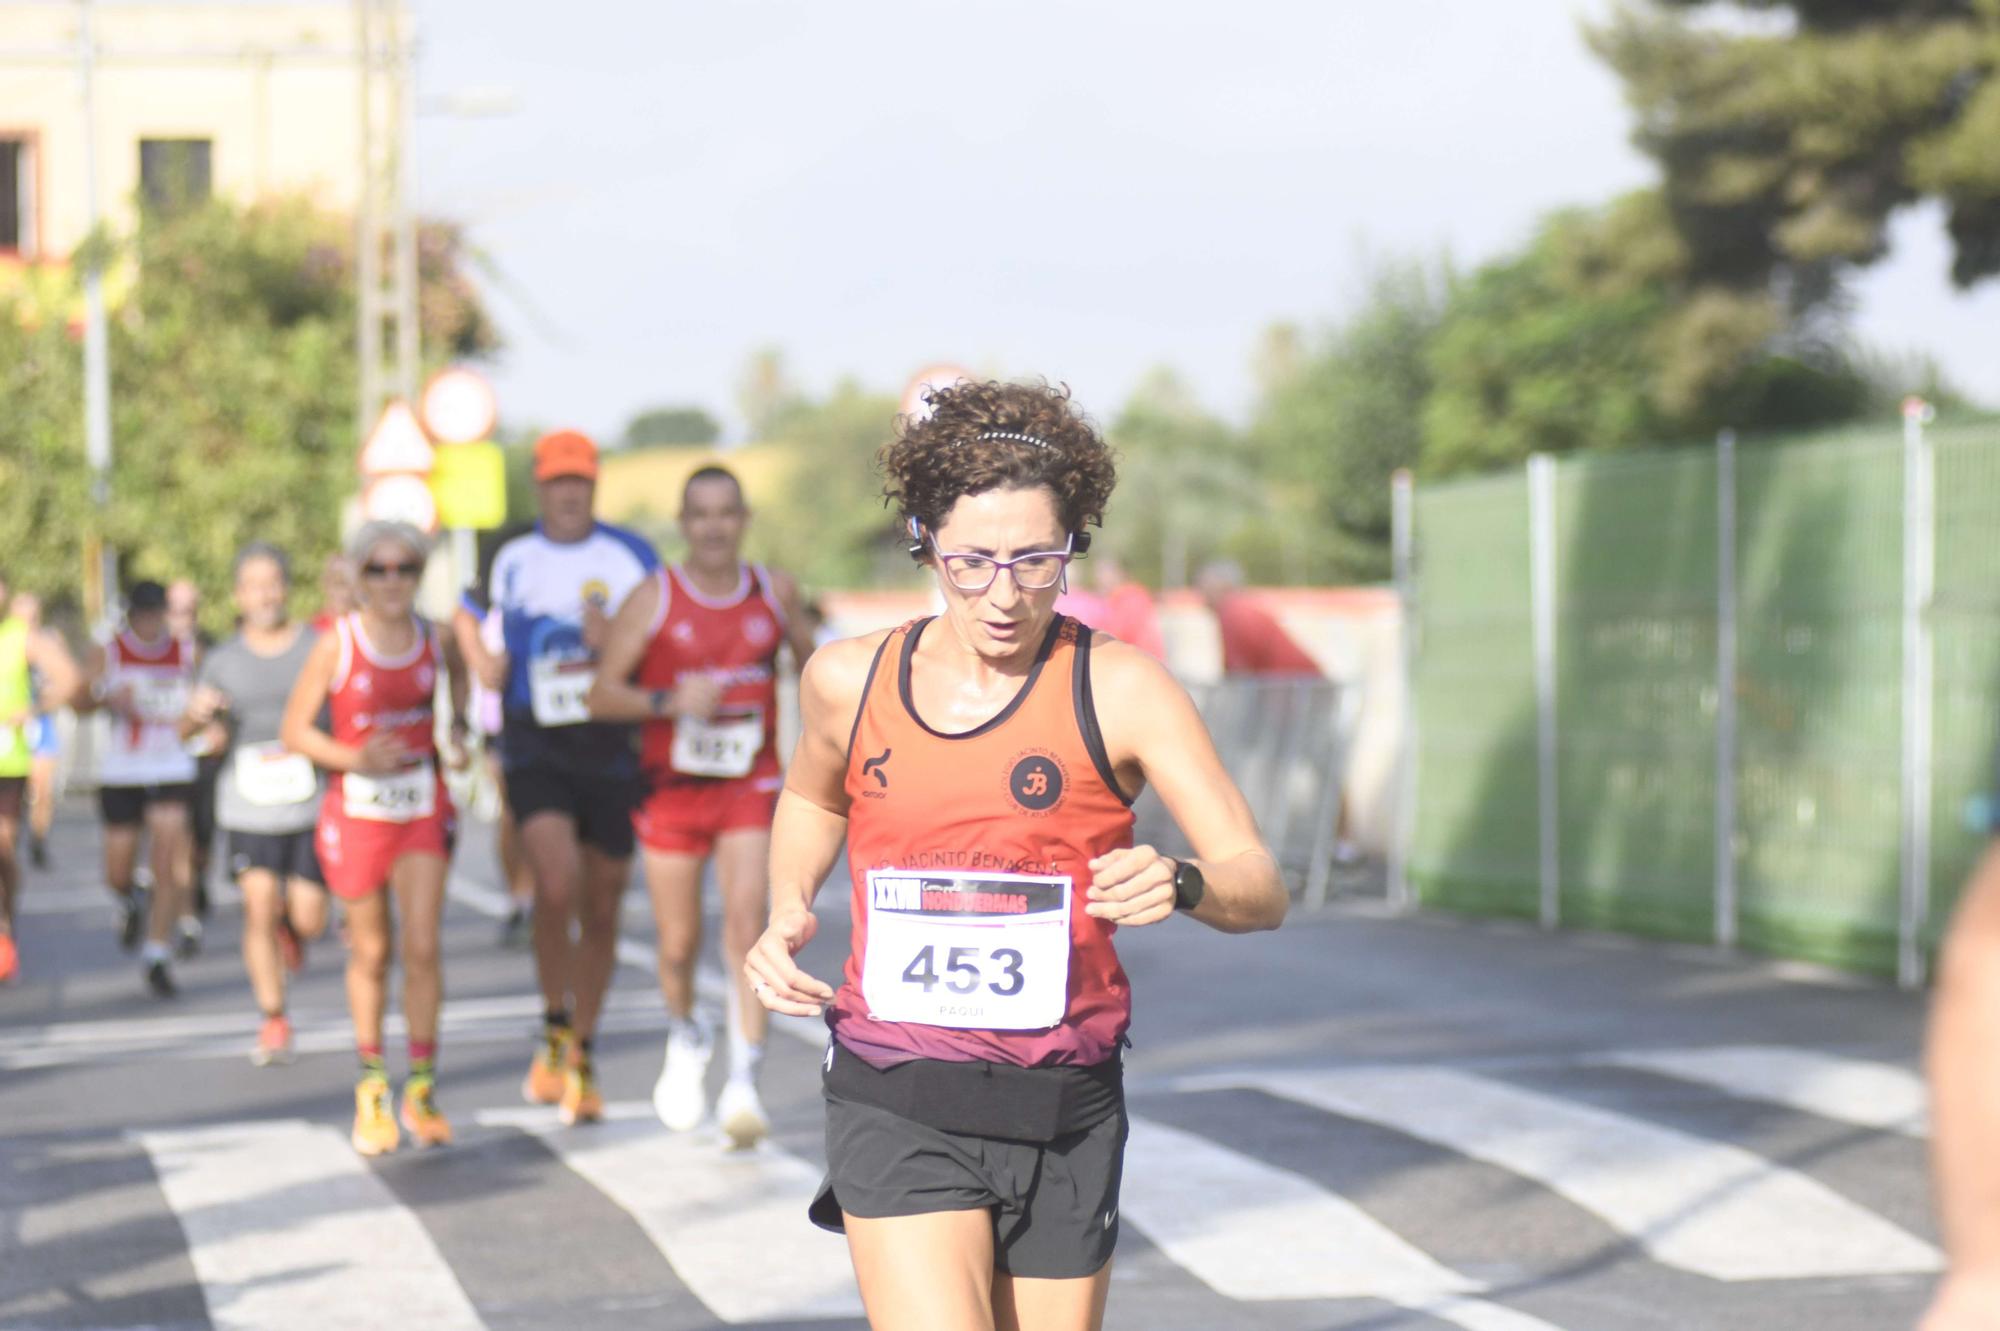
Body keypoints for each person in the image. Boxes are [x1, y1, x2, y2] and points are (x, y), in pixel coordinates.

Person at [745, 380, 1287, 1331]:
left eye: (1037, 560)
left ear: (1073, 543)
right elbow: (811, 793)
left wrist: (1182, 879)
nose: (1004, 593)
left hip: (1064, 1099)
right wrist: (789, 900)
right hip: (897, 1082)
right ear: (925, 543)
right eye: (973, 562)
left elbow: (1261, 883)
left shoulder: (1122, 688)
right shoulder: (846, 679)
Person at [589, 464, 816, 1147]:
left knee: (748, 920)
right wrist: (665, 701)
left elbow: (818, 670)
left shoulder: (773, 591)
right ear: (684, 525)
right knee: (679, 942)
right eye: (700, 514)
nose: (714, 526)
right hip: (671, 789)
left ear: (743, 519)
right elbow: (601, 694)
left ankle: (745, 1078)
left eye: (726, 513)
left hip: (749, 785)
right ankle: (687, 1030)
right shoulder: (655, 597)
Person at [453, 430, 658, 1128]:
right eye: (556, 481)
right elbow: (464, 608)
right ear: (540, 487)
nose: (569, 493)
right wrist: (481, 663)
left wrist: (619, 646)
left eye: (581, 481)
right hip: (536, 741)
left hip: (613, 747)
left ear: (594, 486)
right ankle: (551, 1021)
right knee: (556, 883)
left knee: (601, 906)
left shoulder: (630, 555)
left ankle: (584, 1050)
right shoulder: (511, 552)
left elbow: (664, 630)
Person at [281, 521, 469, 1156]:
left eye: (405, 568)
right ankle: (371, 1082)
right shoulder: (338, 644)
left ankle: (421, 1085)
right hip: (358, 810)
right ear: (358, 577)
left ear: (419, 575)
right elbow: (295, 731)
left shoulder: (436, 638)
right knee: (371, 950)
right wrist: (354, 757)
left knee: (422, 944)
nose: (392, 581)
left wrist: (460, 734)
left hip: (419, 805)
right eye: (378, 569)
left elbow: (459, 690)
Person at [182, 543, 330, 1066]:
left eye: (273, 582)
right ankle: (273, 1016)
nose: (265, 594)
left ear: (286, 588)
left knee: (310, 916)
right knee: (258, 905)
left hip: (309, 803)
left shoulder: (317, 647)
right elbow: (186, 731)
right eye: (254, 585)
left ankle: (295, 930)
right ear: (237, 595)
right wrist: (200, 719)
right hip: (247, 806)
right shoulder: (221, 660)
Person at [79, 581, 201, 996]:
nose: (149, 621)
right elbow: (79, 700)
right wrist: (106, 697)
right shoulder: (110, 650)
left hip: (170, 767)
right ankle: (128, 899)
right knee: (117, 871)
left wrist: (204, 721)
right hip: (122, 771)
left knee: (167, 860)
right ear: (130, 614)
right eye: (141, 613)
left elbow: (201, 702)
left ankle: (157, 953)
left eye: (155, 612)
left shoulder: (186, 652)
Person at [0, 577, 82, 984]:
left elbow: (69, 678)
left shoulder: (23, 638)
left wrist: (34, 707)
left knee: (3, 848)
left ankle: (5, 927)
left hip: (9, 759)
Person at [169, 578, 220, 938]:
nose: (183, 617)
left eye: (190, 610)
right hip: (169, 757)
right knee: (178, 838)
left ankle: (199, 877)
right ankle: (185, 918)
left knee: (201, 837)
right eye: (176, 609)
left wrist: (220, 729)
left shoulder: (212, 649)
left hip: (204, 756)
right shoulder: (153, 649)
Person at [11, 591, 68, 872]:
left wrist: (38, 706)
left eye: (32, 616)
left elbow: (67, 684)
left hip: (39, 723)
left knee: (42, 789)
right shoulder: (7, 642)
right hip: (10, 730)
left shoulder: (49, 642)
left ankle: (38, 838)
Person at [1194, 559, 1323, 677]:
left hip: (1298, 689)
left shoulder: (1233, 611)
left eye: (1205, 585)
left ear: (1222, 585)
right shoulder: (1240, 608)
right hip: (1300, 687)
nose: (1200, 594)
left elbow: (1238, 673)